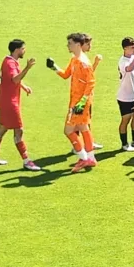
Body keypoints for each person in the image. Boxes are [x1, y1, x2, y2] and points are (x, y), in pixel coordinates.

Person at [49, 32, 100, 173]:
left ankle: (83, 158)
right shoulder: (74, 60)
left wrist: (82, 103)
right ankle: (90, 158)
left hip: (79, 103)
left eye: (70, 43)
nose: (68, 46)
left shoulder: (84, 63)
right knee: (84, 128)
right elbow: (66, 75)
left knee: (68, 130)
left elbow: (91, 83)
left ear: (78, 44)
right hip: (76, 101)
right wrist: (54, 67)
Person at [0, 40, 42, 170]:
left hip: (5, 101)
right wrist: (28, 67)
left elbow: (12, 80)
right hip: (11, 103)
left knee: (3, 129)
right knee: (19, 131)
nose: (24, 51)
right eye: (23, 48)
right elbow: (15, 79)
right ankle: (27, 161)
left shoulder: (8, 61)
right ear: (17, 50)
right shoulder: (10, 63)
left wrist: (23, 87)